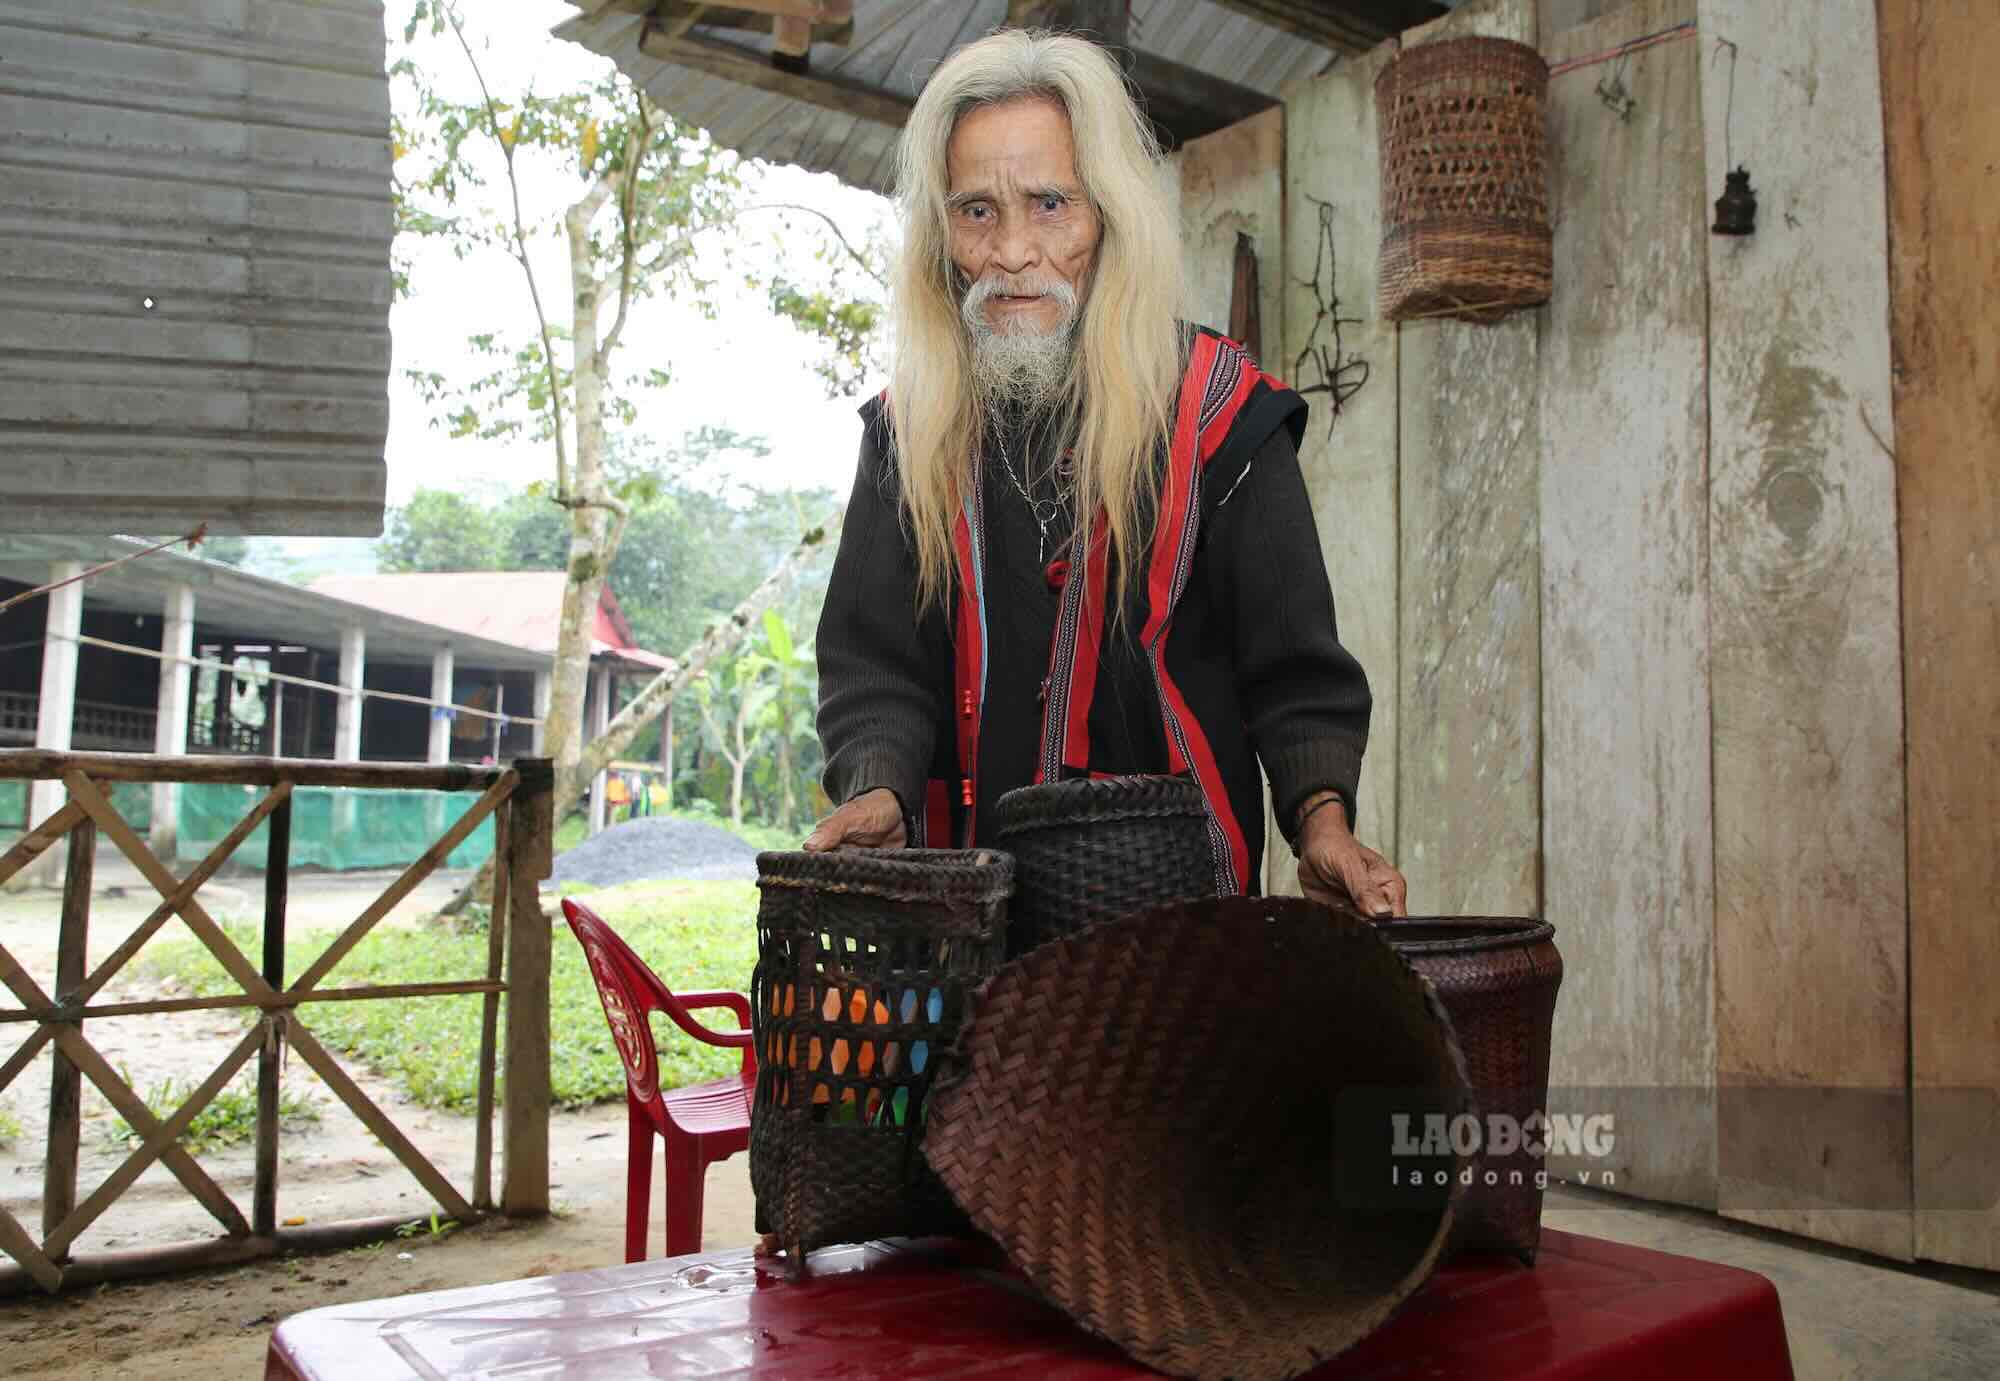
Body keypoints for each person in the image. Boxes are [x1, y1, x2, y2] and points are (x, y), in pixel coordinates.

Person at [802, 28, 1407, 920]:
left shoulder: (1220, 411)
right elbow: (873, 666)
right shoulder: (909, 431)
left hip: (1179, 927)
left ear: (1110, 216)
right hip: (970, 926)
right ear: (941, 234)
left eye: (1050, 204)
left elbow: (1293, 668)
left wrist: (1323, 821)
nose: (1013, 250)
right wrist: (877, 786)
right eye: (977, 212)